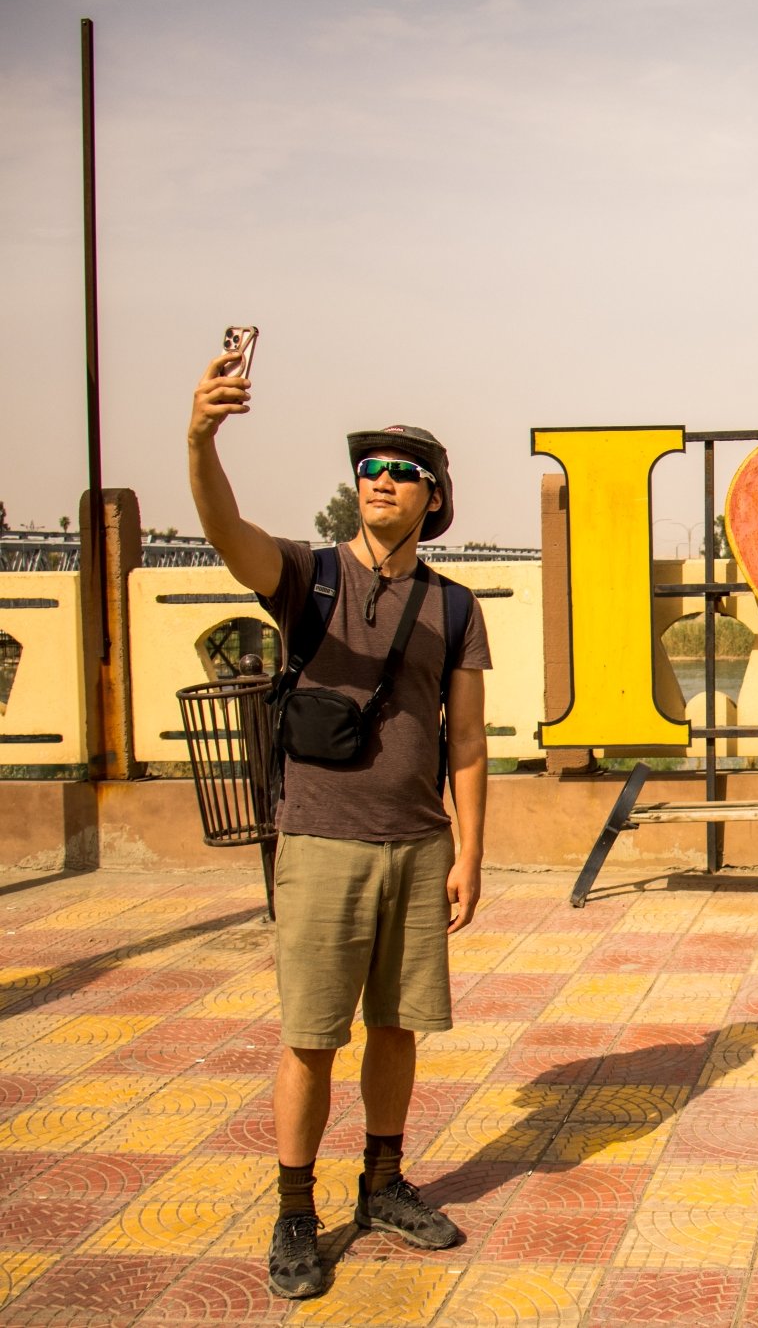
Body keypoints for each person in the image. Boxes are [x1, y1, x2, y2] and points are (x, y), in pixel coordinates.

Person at [187, 351, 490, 1299]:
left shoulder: (454, 605)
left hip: (417, 844)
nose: (379, 480)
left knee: (397, 1027)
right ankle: (294, 1210)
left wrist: (469, 852)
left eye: (401, 470)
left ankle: (383, 1183)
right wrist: (200, 438)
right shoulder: (306, 576)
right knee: (311, 1036)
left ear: (433, 496)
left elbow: (467, 740)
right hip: (320, 841)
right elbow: (223, 528)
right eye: (368, 468)